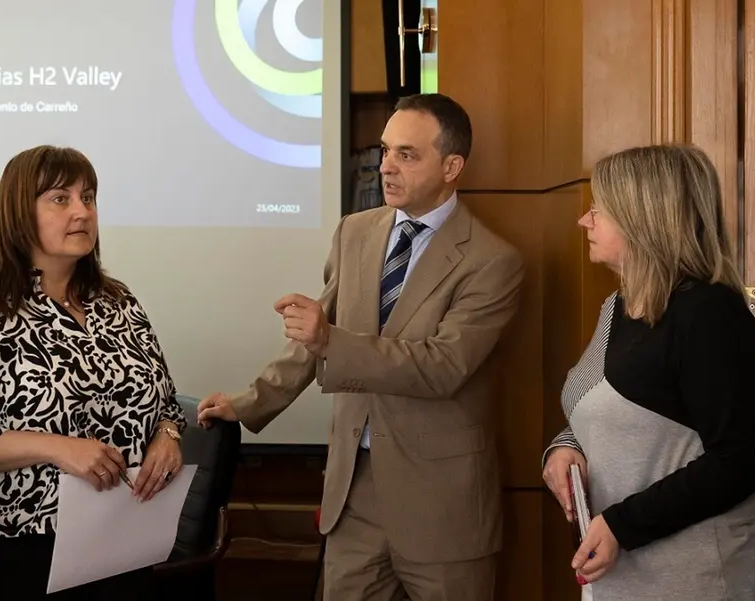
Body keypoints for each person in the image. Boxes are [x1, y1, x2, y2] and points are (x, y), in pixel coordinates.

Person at [196, 93, 523, 601]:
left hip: (442, 504)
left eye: (407, 155)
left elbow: (443, 367)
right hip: (355, 494)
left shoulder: (492, 260)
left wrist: (330, 338)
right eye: (385, 150)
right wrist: (248, 402)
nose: (386, 167)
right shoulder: (355, 231)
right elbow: (315, 339)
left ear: (452, 166)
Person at [0, 145, 187, 601]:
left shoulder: (117, 302)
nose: (81, 211)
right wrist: (57, 448)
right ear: (20, 212)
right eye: (60, 199)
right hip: (17, 551)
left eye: (89, 197)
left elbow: (164, 402)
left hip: (123, 542)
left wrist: (168, 435)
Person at [540, 144, 755, 600]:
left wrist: (623, 524)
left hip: (695, 580)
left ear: (643, 220)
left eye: (599, 210)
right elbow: (593, 408)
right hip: (620, 578)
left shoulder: (711, 315)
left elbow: (743, 459)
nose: (584, 222)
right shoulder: (618, 308)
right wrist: (562, 449)